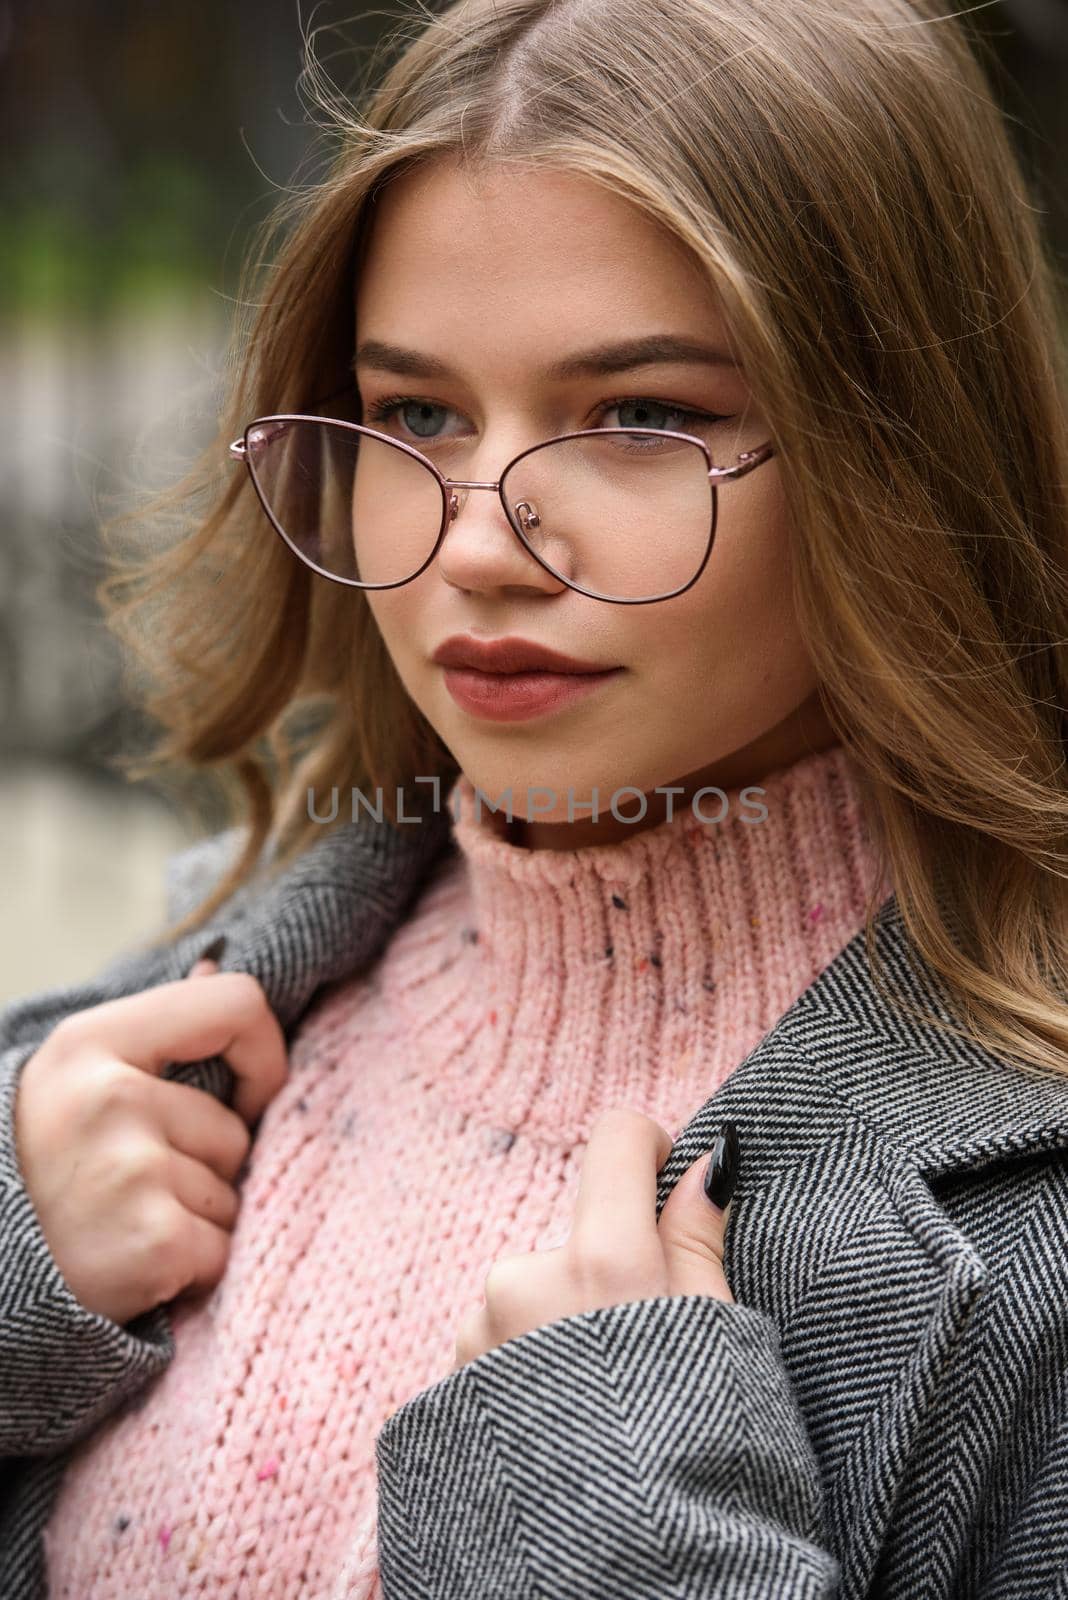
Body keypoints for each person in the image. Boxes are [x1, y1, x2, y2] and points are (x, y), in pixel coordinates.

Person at [2, 0, 1067, 1594]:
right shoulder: (194, 1012)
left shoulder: (1029, 1218)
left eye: (643, 418)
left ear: (898, 458)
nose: (481, 541)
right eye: (418, 414)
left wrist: (617, 1532)